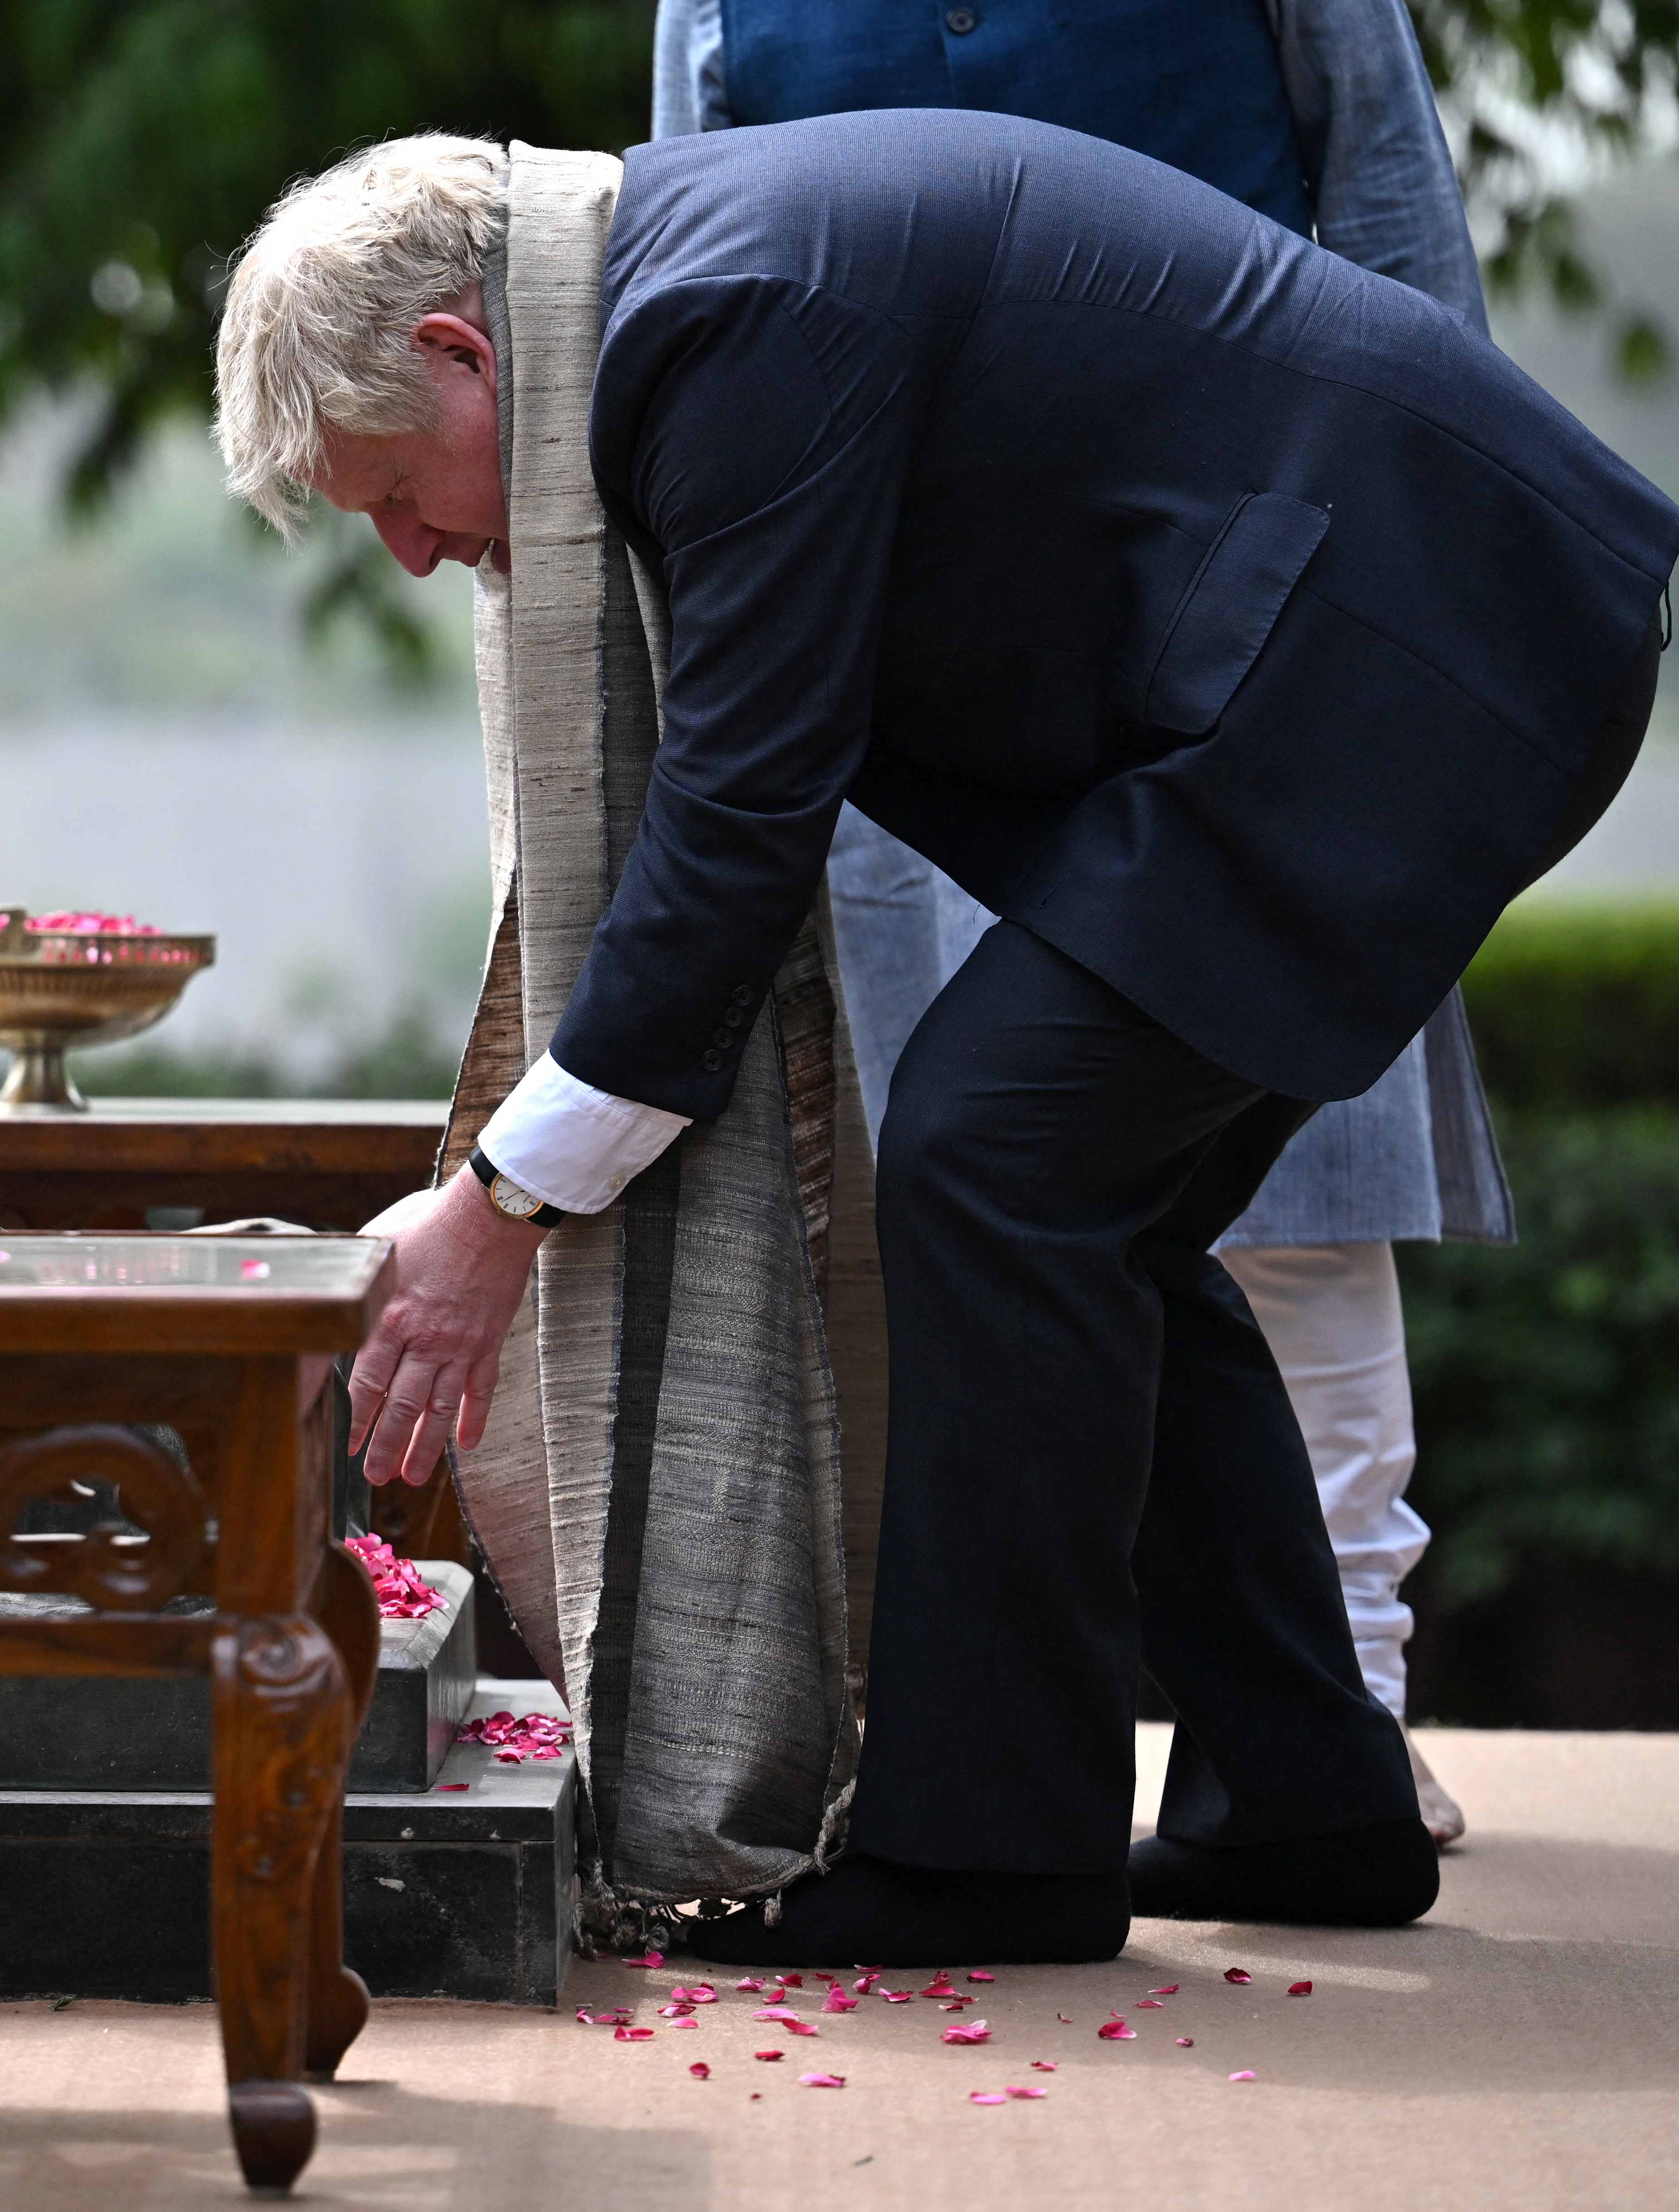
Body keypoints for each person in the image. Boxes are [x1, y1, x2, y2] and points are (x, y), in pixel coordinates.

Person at [216, 120, 1678, 1961]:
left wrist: (497, 1207)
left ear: (459, 352)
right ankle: (1305, 1804)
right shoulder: (684, 287)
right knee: (1088, 1212)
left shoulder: (715, 318)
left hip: (1413, 632)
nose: (417, 557)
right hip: (1391, 635)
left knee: (998, 1163)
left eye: (392, 494)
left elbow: (746, 808)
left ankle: (992, 1852)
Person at [650, 0, 1506, 1842]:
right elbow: (691, 291)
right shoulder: (721, 6)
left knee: (1291, 1190)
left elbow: (1396, 236)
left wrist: (1435, 603)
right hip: (933, 664)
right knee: (966, 1198)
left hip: (1286, 607)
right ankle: (979, 1736)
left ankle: (1340, 1705)